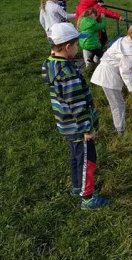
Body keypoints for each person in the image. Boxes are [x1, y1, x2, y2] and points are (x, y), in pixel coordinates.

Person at [41, 22, 110, 209]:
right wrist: (87, 128)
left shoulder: (51, 64)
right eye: (77, 45)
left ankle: (77, 186)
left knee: (75, 155)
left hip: (67, 125)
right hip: (78, 126)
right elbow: (78, 105)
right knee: (88, 159)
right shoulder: (68, 73)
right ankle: (88, 198)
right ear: (67, 47)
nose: (79, 48)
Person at [90, 24, 132, 136]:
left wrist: (131, 68)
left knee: (118, 104)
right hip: (108, 77)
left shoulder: (124, 40)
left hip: (105, 71)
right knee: (118, 105)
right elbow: (124, 71)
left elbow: (120, 60)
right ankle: (120, 132)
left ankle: (119, 129)